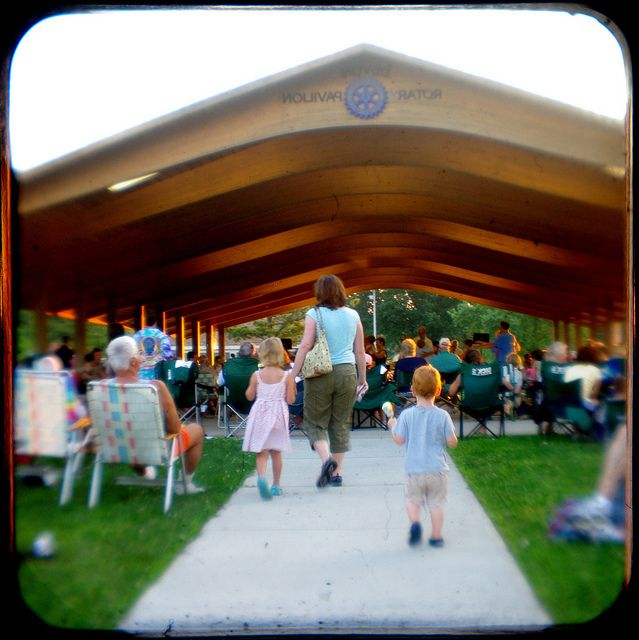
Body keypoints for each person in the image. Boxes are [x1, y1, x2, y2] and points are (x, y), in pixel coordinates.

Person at [290, 274, 367, 489]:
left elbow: (305, 346)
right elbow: (360, 351)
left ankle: (327, 461)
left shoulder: (313, 314)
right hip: (347, 372)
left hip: (320, 373)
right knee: (340, 423)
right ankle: (337, 474)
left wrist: (293, 373)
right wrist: (363, 378)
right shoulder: (353, 315)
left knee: (314, 421)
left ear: (319, 292)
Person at [105, 335, 205, 494]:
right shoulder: (155, 387)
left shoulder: (100, 388)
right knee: (196, 430)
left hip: (116, 448)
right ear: (133, 362)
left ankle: (145, 473)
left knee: (129, 433)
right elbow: (174, 428)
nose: (141, 356)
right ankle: (184, 483)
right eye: (138, 353)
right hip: (155, 449)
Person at [387, 365, 458, 546]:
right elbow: (452, 441)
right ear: (439, 389)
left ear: (412, 389)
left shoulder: (406, 415)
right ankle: (436, 537)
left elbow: (400, 440)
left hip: (414, 469)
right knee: (436, 504)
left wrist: (392, 426)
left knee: (412, 500)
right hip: (437, 470)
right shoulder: (443, 416)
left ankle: (416, 523)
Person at [242, 337, 297, 500]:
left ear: (262, 354)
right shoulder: (287, 376)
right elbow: (291, 400)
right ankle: (276, 485)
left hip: (260, 414)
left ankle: (260, 478)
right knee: (276, 452)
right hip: (278, 415)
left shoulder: (256, 375)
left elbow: (250, 396)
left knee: (262, 452)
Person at [133, 308, 174, 380]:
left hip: (139, 378)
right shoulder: (162, 336)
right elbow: (169, 357)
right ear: (156, 321)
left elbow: (132, 357)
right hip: (157, 378)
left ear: (145, 320)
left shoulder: (137, 336)